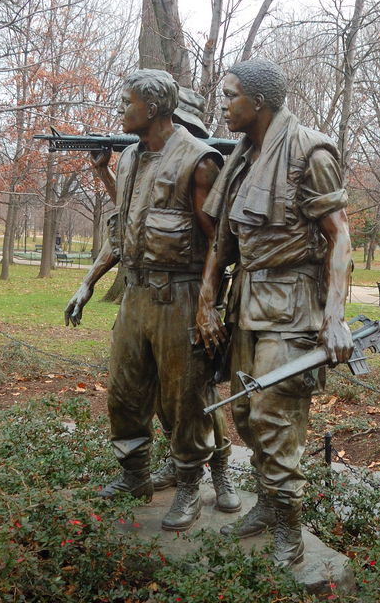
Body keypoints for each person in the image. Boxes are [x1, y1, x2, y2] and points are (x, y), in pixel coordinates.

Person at [64, 69, 240, 531]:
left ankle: (189, 487)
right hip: (136, 295)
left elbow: (219, 244)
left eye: (126, 102)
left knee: (185, 400)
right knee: (125, 392)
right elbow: (124, 229)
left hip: (179, 295)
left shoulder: (198, 161)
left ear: (154, 108)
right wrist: (87, 283)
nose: (120, 111)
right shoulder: (128, 159)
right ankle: (135, 475)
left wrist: (207, 305)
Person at [196, 58, 353, 567]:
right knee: (244, 408)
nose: (222, 104)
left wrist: (334, 316)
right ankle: (268, 504)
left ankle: (290, 526)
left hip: (292, 305)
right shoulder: (241, 156)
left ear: (257, 102)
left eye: (229, 95)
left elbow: (340, 236)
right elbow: (224, 238)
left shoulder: (310, 149)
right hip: (247, 302)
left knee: (273, 415)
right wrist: (206, 300)